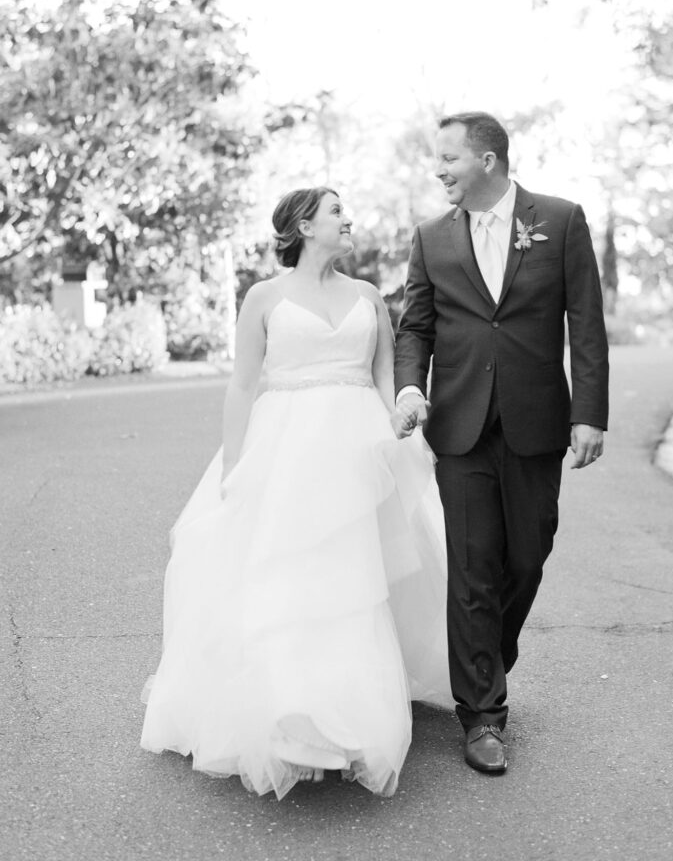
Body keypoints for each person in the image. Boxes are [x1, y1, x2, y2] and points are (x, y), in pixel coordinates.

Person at [140, 187, 450, 800]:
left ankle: (348, 718)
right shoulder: (264, 297)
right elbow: (242, 385)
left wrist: (401, 422)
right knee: (291, 579)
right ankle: (289, 723)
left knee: (353, 580)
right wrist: (235, 465)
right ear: (305, 225)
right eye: (337, 210)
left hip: (358, 448)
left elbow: (386, 377)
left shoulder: (367, 298)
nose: (349, 217)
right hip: (285, 451)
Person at [395, 112, 609, 775]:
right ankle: (482, 712)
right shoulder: (431, 238)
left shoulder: (560, 220)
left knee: (528, 553)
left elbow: (586, 322)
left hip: (536, 420)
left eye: (450, 158)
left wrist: (590, 413)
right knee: (472, 564)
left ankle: (485, 651)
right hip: (459, 425)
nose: (439, 170)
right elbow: (415, 328)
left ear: (488, 160)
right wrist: (408, 387)